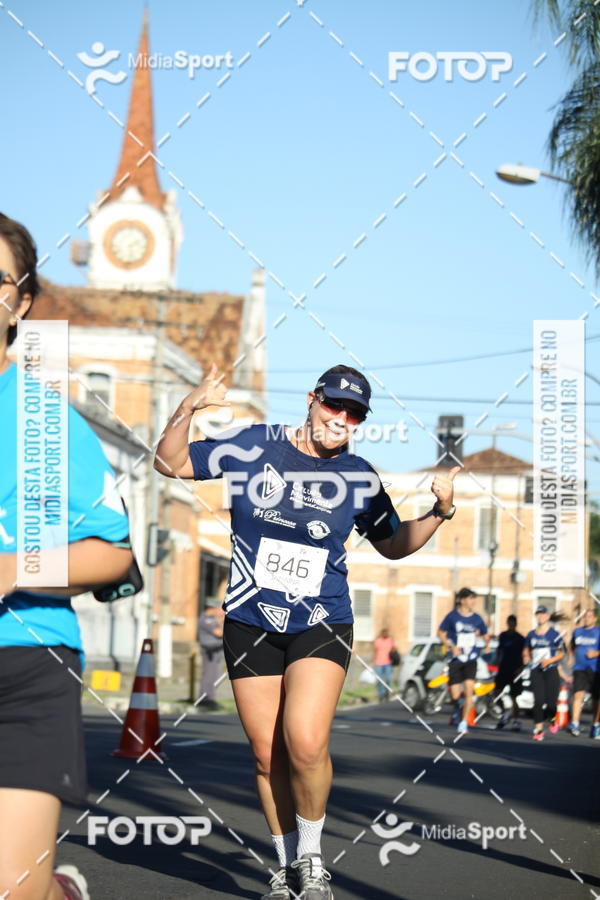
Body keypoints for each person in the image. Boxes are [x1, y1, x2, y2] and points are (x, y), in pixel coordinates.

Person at [154, 363, 459, 900]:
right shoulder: (254, 446)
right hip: (249, 620)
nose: (342, 419)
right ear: (312, 399)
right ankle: (286, 865)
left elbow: (393, 543)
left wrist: (441, 511)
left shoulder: (360, 476)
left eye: (355, 414)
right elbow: (169, 462)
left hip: (321, 620)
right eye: (334, 405)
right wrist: (190, 407)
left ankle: (313, 859)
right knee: (266, 754)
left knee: (306, 741)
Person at [0, 214, 136, 899]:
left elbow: (111, 555)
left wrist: (11, 570)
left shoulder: (47, 422)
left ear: (19, 303)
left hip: (23, 662)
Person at [438, 588, 489, 735]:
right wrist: (450, 646)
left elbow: (485, 634)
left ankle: (464, 722)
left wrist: (486, 644)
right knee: (455, 696)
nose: (473, 602)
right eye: (470, 599)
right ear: (462, 600)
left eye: (474, 599)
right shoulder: (452, 617)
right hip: (455, 659)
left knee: (468, 691)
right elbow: (441, 633)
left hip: (471, 660)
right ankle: (457, 707)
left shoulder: (477, 619)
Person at [522, 606, 566, 741]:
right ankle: (539, 729)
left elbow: (562, 653)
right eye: (538, 614)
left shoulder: (554, 634)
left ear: (548, 617)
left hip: (551, 670)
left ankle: (552, 719)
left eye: (543, 614)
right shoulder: (531, 634)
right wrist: (525, 656)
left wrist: (550, 660)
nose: (540, 616)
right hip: (536, 670)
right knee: (538, 700)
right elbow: (525, 650)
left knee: (552, 704)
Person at [568, 608, 600, 738]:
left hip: (595, 669)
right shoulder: (577, 632)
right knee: (578, 695)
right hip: (579, 668)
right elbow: (571, 646)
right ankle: (575, 724)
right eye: (585, 616)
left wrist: (596, 653)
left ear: (595, 619)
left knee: (596, 700)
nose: (587, 619)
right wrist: (571, 656)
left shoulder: (598, 632)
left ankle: (595, 725)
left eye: (590, 616)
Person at [494, 615, 525, 731]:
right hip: (503, 669)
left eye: (513, 623)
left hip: (515, 670)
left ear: (515, 624)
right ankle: (504, 714)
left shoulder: (520, 638)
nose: (511, 625)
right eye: (509, 623)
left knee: (514, 697)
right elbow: (499, 650)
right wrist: (497, 661)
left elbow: (524, 655)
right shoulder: (503, 636)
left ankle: (516, 720)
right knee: (496, 693)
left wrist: (521, 668)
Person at [198, 595, 225, 709]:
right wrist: (220, 620)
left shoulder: (213, 619)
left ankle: (211, 698)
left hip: (217, 651)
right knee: (209, 675)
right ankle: (205, 699)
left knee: (214, 676)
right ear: (212, 608)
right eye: (218, 608)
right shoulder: (206, 619)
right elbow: (219, 633)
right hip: (210, 651)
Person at [373, 628, 397, 701]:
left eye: (386, 633)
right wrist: (373, 661)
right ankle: (380, 695)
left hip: (388, 663)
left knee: (388, 679)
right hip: (379, 663)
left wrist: (394, 653)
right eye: (384, 633)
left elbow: (395, 649)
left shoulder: (390, 640)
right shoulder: (378, 641)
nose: (385, 634)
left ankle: (387, 693)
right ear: (382, 633)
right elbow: (375, 651)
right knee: (379, 680)